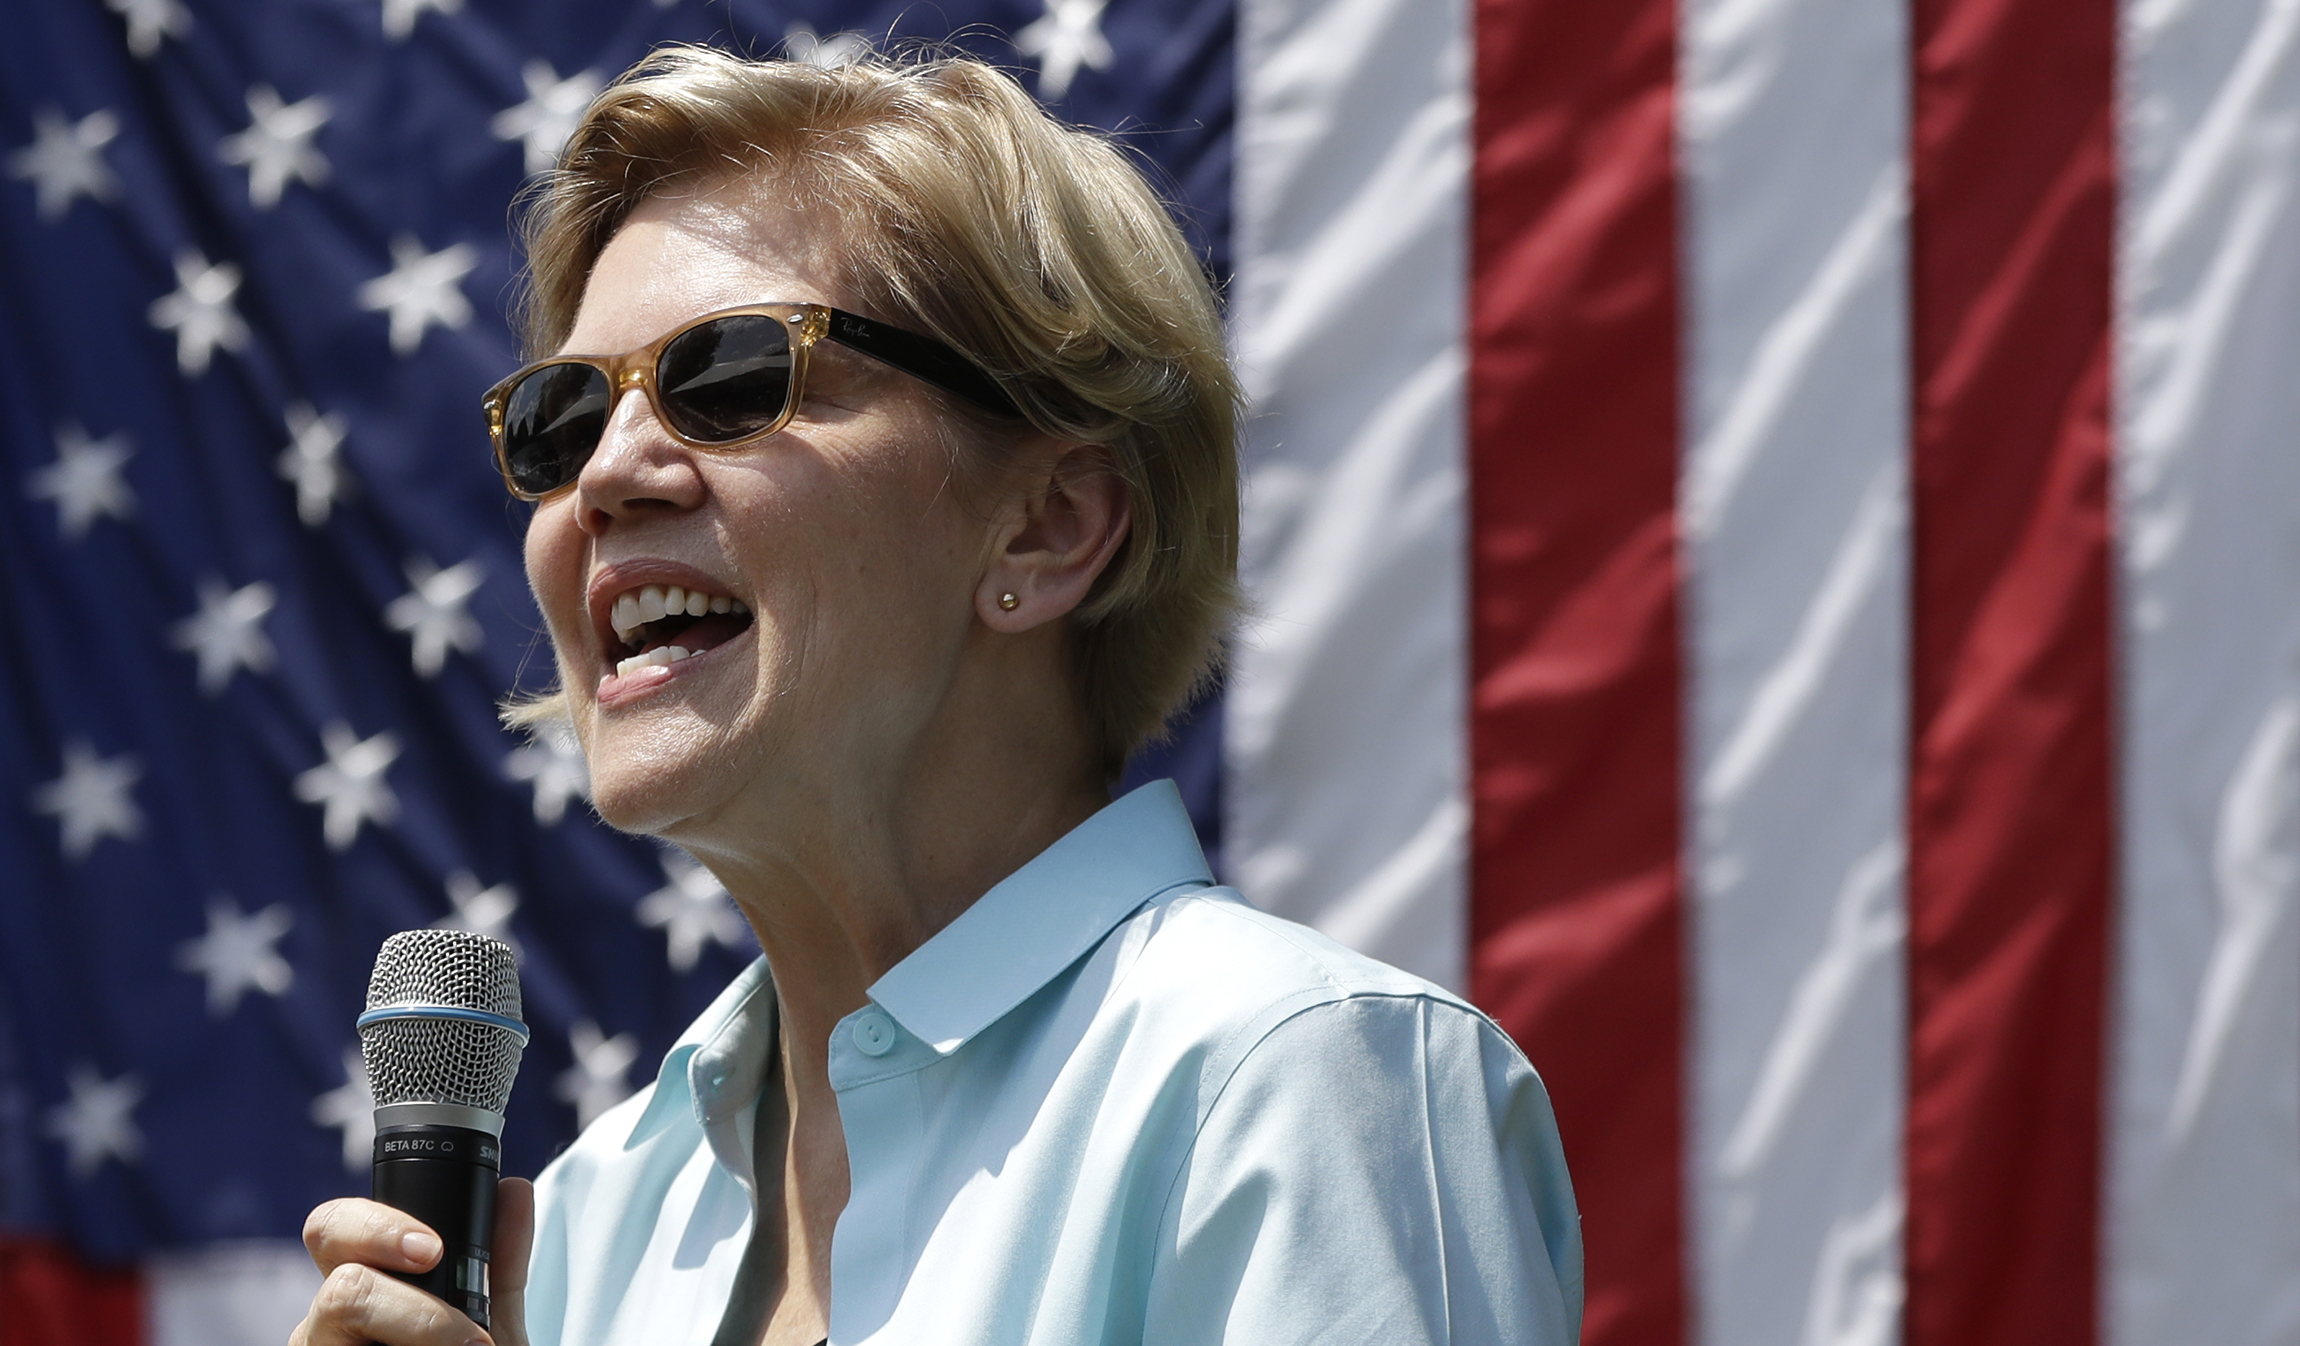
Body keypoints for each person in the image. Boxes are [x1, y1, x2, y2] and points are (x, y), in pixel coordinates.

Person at [290, 45, 1581, 1346]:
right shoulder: (583, 1224)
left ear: (1049, 527)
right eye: (559, 418)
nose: (613, 470)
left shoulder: (1294, 1080)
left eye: (731, 377)